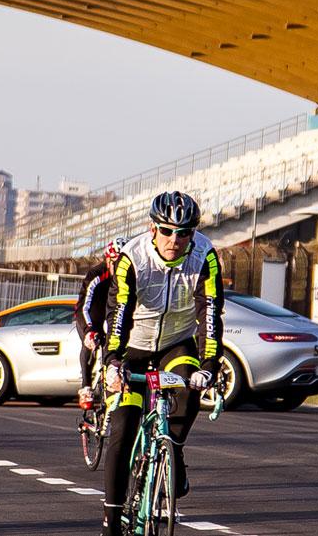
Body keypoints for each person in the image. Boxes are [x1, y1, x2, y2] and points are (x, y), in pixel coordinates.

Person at [98, 191, 223, 536]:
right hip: (132, 346)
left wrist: (209, 365)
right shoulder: (132, 258)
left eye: (184, 233)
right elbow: (118, 314)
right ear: (152, 228)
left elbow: (210, 312)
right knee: (123, 429)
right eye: (167, 231)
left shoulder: (205, 256)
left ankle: (175, 450)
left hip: (176, 342)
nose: (175, 240)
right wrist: (111, 361)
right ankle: (111, 518)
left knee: (189, 386)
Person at [76, 236, 127, 405]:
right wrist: (89, 330)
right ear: (108, 261)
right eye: (116, 263)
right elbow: (83, 305)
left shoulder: (129, 276)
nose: (120, 268)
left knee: (115, 346)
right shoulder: (96, 274)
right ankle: (86, 387)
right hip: (93, 315)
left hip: (114, 315)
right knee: (90, 344)